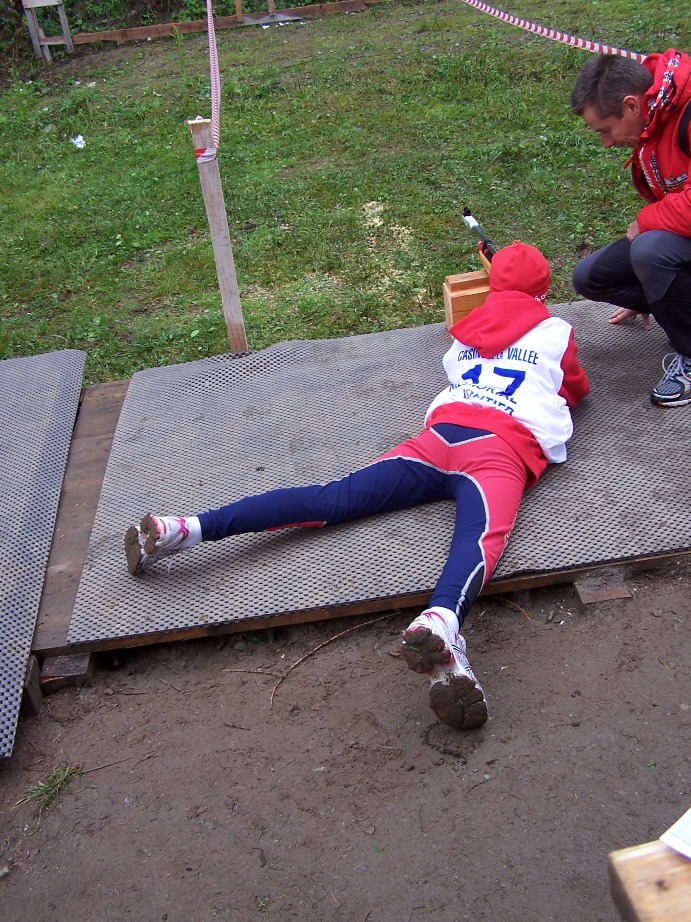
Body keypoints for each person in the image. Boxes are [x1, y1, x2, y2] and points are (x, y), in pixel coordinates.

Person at [124, 241, 590, 732]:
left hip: (438, 438)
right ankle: (441, 621)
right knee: (478, 539)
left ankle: (185, 528)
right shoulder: (556, 330)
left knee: (332, 497)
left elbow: (478, 350)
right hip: (498, 449)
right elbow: (576, 388)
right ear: (543, 291)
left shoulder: (465, 332)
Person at [570, 48, 691, 407]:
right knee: (590, 277)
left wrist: (647, 222)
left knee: (649, 251)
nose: (607, 143)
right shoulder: (656, 114)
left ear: (632, 105)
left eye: (606, 130)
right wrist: (656, 287)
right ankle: (673, 304)